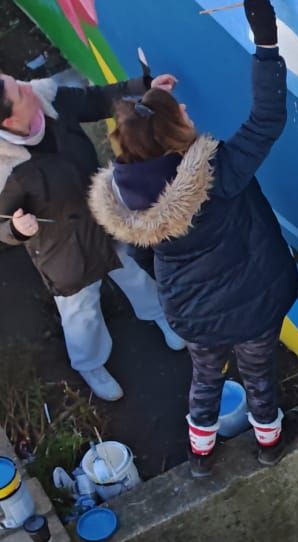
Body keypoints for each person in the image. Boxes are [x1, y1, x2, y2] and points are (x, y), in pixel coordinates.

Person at [88, 0, 298, 477]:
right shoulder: (218, 176)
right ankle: (270, 442)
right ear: (173, 136)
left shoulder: (129, 200)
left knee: (205, 380)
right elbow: (267, 119)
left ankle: (200, 457)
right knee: (258, 377)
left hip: (194, 316)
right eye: (178, 113)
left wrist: (150, 105)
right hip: (251, 307)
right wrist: (266, 43)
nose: (186, 107)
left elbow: (146, 258)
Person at [0, 66, 184, 400]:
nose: (29, 87)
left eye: (19, 81)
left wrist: (143, 86)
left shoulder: (48, 98)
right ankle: (89, 363)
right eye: (19, 92)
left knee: (135, 272)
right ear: (9, 122)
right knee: (81, 313)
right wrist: (14, 229)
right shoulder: (4, 169)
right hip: (63, 250)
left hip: (105, 215)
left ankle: (160, 315)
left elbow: (97, 99)